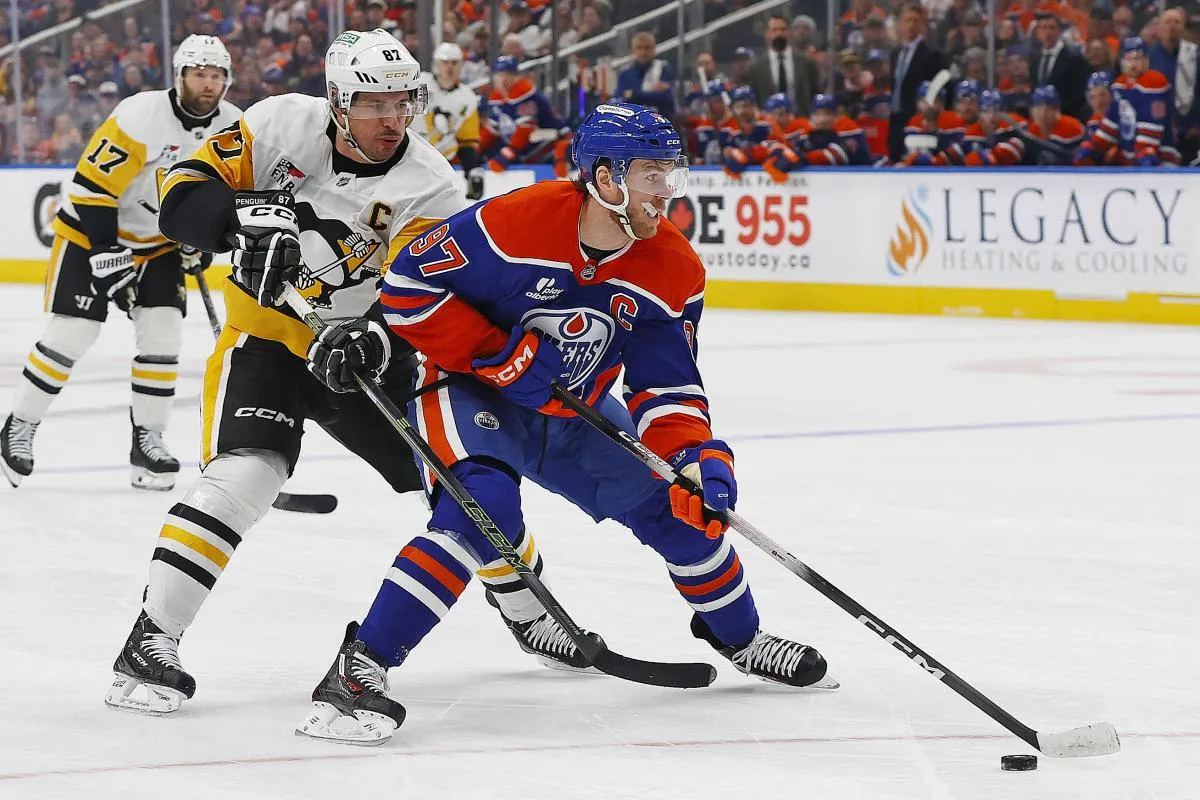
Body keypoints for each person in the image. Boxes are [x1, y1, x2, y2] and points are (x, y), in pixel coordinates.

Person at [295, 103, 835, 745]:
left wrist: (695, 456)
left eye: (671, 173)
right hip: (469, 392)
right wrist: (499, 355)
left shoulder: (675, 269)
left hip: (573, 407)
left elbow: (666, 386)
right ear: (605, 178)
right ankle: (360, 670)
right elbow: (407, 289)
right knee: (478, 511)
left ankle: (742, 639)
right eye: (650, 174)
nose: (666, 191)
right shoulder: (512, 222)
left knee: (679, 510)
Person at [102, 29, 469, 716]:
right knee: (244, 474)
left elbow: (425, 300)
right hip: (265, 343)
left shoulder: (432, 186)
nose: (393, 119)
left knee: (461, 483)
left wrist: (376, 340)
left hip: (363, 359)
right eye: (374, 103)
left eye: (403, 102)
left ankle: (526, 605)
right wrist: (241, 221)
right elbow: (182, 196)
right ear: (336, 101)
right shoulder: (277, 123)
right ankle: (151, 638)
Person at [1, 36, 240, 491]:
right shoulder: (139, 115)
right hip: (91, 233)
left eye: (216, 76)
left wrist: (203, 239)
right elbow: (92, 189)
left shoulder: (233, 126)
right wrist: (107, 253)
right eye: (199, 74)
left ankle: (147, 440)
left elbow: (226, 194)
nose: (207, 84)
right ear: (179, 75)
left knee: (164, 334)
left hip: (159, 244)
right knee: (72, 334)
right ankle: (19, 425)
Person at [1075, 37, 1178, 166]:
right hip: (1131, 157)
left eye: (1138, 58)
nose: (1133, 64)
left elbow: (1152, 126)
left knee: (1148, 161)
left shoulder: (1156, 82)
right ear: (1122, 61)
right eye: (1129, 59)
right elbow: (1111, 123)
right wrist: (1094, 146)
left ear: (1146, 60)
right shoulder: (1120, 84)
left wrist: (1144, 153)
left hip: (1161, 156)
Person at [410, 42, 485, 200]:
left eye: (454, 63)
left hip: (439, 164)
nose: (449, 67)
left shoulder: (468, 98)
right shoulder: (418, 84)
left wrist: (472, 171)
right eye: (445, 62)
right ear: (436, 63)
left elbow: (467, 141)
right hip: (408, 155)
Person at [479, 55, 572, 175]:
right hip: (527, 146)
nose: (504, 79)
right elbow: (493, 129)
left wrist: (508, 153)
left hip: (553, 139)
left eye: (509, 75)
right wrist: (477, 147)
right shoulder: (497, 97)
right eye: (500, 75)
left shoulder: (525, 93)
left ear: (517, 76)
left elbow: (525, 129)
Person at [888, 3, 951, 161]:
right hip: (896, 117)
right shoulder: (896, 54)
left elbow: (942, 89)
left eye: (916, 21)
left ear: (923, 26)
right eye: (907, 20)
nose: (911, 25)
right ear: (900, 24)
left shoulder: (933, 55)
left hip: (918, 119)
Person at [767, 93, 872, 176]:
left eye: (827, 113)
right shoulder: (804, 140)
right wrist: (784, 156)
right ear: (811, 118)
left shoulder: (844, 138)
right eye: (817, 114)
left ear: (836, 117)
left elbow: (831, 156)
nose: (823, 119)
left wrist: (801, 157)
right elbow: (788, 151)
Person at [748, 14, 819, 116]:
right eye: (774, 30)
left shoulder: (806, 63)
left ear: (789, 32)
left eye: (783, 29)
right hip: (770, 124)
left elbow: (814, 93)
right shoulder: (757, 68)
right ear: (767, 34)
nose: (779, 34)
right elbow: (755, 99)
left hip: (800, 121)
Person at [1030, 12, 1091, 121]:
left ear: (1059, 31)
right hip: (1040, 120)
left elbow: (1077, 94)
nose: (1047, 32)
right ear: (1038, 32)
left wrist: (1054, 112)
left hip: (1067, 118)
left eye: (1052, 28)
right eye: (1043, 28)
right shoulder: (1035, 58)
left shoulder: (1074, 59)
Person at [899, 79, 965, 165]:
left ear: (942, 104)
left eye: (934, 100)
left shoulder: (954, 122)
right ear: (917, 103)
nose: (929, 105)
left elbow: (957, 157)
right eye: (924, 101)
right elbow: (910, 156)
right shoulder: (913, 123)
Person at [1021, 84, 1084, 165]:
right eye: (1038, 108)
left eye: (1049, 109)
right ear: (1031, 111)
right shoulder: (1030, 130)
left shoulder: (1072, 126)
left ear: (1057, 110)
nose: (1043, 114)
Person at [616, 31, 676, 116]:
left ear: (654, 49)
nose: (643, 52)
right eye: (639, 48)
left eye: (647, 48)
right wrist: (650, 92)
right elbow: (621, 103)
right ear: (632, 50)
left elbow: (666, 98)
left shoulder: (663, 69)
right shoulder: (625, 74)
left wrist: (634, 94)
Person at [1084, 70, 1113, 140]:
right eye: (1093, 97)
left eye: (1102, 95)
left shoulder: (1124, 121)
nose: (1098, 102)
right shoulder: (1092, 125)